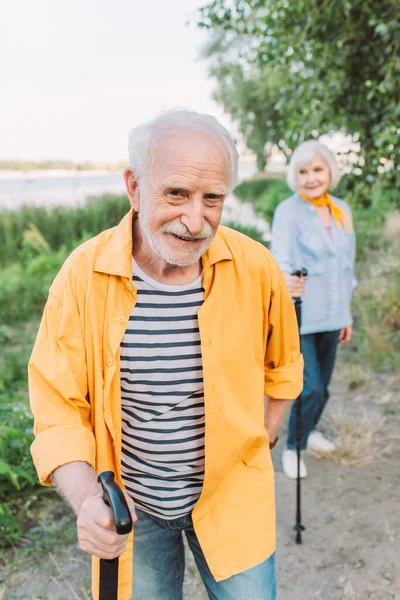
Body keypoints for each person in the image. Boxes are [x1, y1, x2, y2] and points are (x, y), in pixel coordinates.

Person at [28, 108, 303, 600]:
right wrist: (90, 497)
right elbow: (57, 408)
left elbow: (283, 363)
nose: (195, 220)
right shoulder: (81, 276)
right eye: (176, 193)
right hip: (133, 505)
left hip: (233, 496)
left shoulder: (256, 267)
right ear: (134, 187)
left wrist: (266, 431)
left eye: (212, 198)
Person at [271, 140, 356, 480]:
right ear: (295, 176)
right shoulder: (287, 211)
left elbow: (347, 264)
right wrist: (286, 278)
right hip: (302, 314)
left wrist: (346, 311)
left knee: (327, 385)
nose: (311, 178)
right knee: (311, 387)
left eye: (317, 170)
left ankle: (311, 431)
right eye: (303, 171)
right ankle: (293, 447)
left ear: (330, 172)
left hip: (334, 311)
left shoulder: (341, 209)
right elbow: (279, 256)